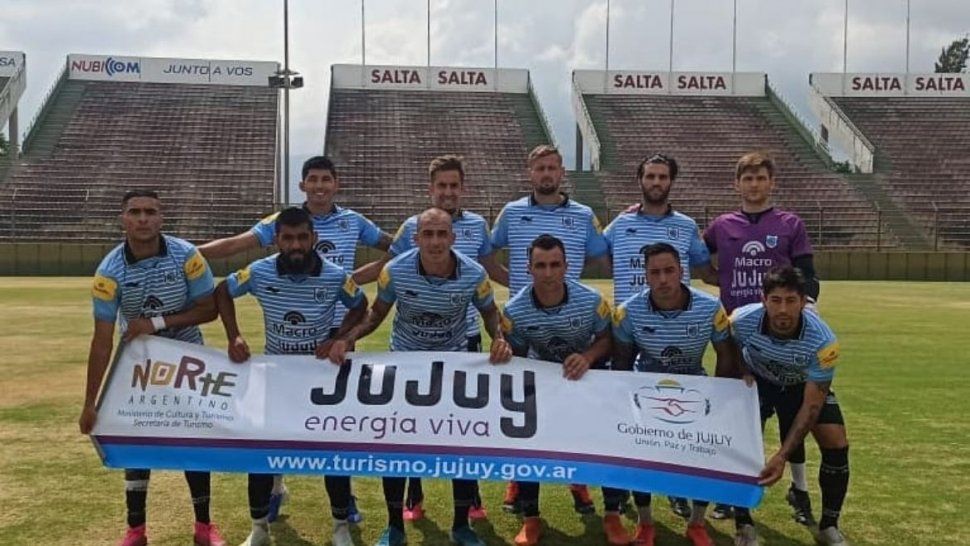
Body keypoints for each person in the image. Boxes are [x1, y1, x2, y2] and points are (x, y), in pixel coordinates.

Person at [199, 155, 389, 522]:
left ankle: (343, 499)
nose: (319, 186)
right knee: (277, 422)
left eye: (326, 179)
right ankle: (274, 489)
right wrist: (188, 253)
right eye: (312, 179)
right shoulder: (279, 222)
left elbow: (397, 249)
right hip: (288, 340)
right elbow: (235, 245)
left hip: (336, 338)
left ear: (337, 183)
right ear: (302, 185)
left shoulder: (354, 221)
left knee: (333, 424)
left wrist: (357, 278)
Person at [327, 207, 513, 546]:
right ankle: (395, 526)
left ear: (453, 238)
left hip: (454, 362)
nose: (435, 241)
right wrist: (348, 339)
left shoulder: (473, 274)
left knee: (460, 445)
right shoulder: (395, 270)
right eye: (428, 234)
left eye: (442, 234)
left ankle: (461, 526)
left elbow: (489, 313)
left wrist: (499, 338)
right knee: (398, 445)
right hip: (407, 364)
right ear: (416, 239)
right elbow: (376, 313)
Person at [354, 155, 507, 521]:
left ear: (462, 188)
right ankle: (413, 498)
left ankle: (470, 501)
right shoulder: (410, 229)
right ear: (431, 189)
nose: (448, 192)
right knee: (408, 429)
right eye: (442, 185)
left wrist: (531, 289)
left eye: (454, 185)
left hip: (462, 341)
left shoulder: (477, 229)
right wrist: (342, 280)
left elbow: (488, 274)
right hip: (411, 348)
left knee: (461, 429)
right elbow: (383, 284)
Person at [213, 207, 368, 546]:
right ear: (276, 241)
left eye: (302, 237)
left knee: (333, 452)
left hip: (320, 378)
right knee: (261, 452)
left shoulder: (335, 275)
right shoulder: (259, 272)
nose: (296, 245)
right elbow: (223, 291)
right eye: (287, 238)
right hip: (276, 377)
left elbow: (360, 304)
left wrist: (339, 336)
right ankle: (258, 529)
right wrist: (234, 335)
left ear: (313, 238)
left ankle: (341, 527)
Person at [79, 190, 224, 546]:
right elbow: (102, 341)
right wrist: (90, 403)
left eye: (150, 212)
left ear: (162, 218)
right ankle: (135, 530)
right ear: (123, 218)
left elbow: (209, 309)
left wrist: (156, 322)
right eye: (135, 212)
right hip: (141, 362)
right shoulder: (108, 272)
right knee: (137, 437)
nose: (143, 218)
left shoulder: (187, 256)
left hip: (189, 355)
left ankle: (204, 526)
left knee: (194, 437)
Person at [703, 151, 821, 524]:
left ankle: (799, 490)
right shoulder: (721, 225)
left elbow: (808, 275)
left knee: (790, 415)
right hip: (738, 336)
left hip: (782, 336)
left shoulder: (790, 224)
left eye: (760, 178)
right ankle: (731, 493)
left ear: (772, 182)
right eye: (747, 179)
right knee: (737, 422)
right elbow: (695, 257)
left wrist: (805, 305)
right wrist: (718, 280)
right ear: (737, 184)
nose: (754, 185)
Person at [491, 144, 608, 513]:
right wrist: (514, 285)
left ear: (561, 173)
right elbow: (487, 251)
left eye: (552, 168)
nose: (546, 174)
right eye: (539, 168)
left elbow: (603, 253)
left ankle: (578, 481)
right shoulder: (511, 213)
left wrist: (570, 288)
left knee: (576, 417)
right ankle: (518, 483)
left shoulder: (584, 214)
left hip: (574, 321)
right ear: (530, 173)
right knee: (526, 413)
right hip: (527, 320)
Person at [610, 243, 738, 546]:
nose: (663, 279)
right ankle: (645, 522)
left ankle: (697, 523)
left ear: (682, 272)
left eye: (669, 271)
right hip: (647, 392)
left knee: (705, 457)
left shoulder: (710, 308)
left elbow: (725, 354)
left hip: (696, 390)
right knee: (641, 457)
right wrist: (626, 403)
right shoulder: (628, 311)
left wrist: (718, 396)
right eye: (655, 272)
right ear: (646, 276)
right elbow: (623, 362)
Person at [498, 234, 612, 546]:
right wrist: (505, 351)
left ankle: (610, 511)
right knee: (528, 445)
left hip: (586, 379)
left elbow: (608, 340)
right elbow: (517, 357)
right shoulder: (514, 310)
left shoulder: (591, 300)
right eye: (540, 265)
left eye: (555, 265)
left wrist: (587, 357)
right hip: (542, 385)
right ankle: (531, 517)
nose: (548, 273)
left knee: (600, 443)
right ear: (528, 268)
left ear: (566, 267)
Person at [730, 266, 850, 546]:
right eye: (776, 300)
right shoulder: (741, 320)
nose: (783, 309)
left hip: (799, 386)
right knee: (741, 443)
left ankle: (829, 526)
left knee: (836, 442)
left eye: (791, 301)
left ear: (803, 302)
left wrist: (782, 456)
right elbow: (728, 344)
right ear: (764, 300)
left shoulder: (823, 342)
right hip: (758, 381)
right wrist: (741, 369)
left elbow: (811, 407)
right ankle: (743, 523)